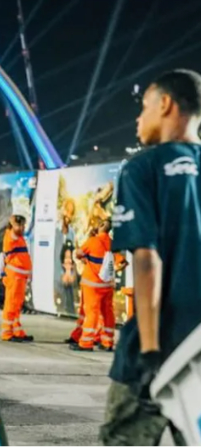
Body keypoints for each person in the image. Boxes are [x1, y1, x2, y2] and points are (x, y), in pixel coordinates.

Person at [100, 69, 201, 445]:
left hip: (164, 346)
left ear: (166, 104)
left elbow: (146, 261)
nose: (138, 119)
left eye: (144, 107)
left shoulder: (143, 168)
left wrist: (149, 350)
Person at [70, 219, 115, 352]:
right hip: (107, 285)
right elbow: (120, 261)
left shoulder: (93, 241)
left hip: (92, 285)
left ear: (101, 226)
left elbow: (78, 253)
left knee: (92, 312)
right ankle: (107, 341)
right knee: (107, 313)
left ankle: (86, 342)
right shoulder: (112, 243)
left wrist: (86, 257)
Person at [1, 214, 34, 342]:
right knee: (11, 304)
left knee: (16, 305)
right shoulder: (11, 236)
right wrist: (14, 222)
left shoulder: (19, 238)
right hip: (14, 277)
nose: (22, 228)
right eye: (20, 225)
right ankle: (7, 333)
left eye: (23, 225)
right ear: (12, 225)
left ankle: (17, 331)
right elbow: (14, 232)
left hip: (20, 277)